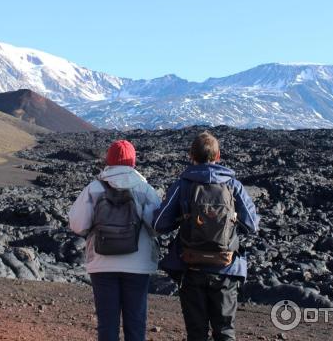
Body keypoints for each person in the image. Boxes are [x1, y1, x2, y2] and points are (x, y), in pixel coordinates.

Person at [152, 131, 260, 341]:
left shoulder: (183, 185)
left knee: (197, 333)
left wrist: (182, 218)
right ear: (218, 156)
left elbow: (159, 224)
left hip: (191, 268)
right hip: (226, 267)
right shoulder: (232, 186)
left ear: (192, 156)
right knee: (225, 332)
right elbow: (252, 225)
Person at [69, 140, 161, 341]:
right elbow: (156, 226)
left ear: (108, 160)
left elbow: (78, 225)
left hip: (102, 264)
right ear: (133, 162)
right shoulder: (144, 190)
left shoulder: (94, 188)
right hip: (138, 265)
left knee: (107, 325)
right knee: (136, 324)